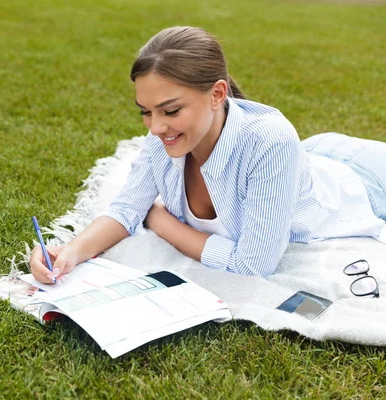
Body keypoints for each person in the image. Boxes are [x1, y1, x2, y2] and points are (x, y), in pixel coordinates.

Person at [30, 26, 386, 283]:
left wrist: (158, 220)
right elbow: (126, 209)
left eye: (170, 111)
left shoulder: (271, 142)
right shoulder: (164, 139)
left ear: (217, 94)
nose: (154, 128)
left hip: (366, 181)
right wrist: (70, 252)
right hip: (313, 156)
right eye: (145, 111)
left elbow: (252, 266)